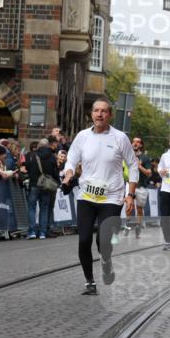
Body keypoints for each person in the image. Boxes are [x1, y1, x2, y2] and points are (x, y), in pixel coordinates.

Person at [61, 98, 138, 295]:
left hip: (111, 197)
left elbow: (133, 166)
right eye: (96, 110)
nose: (99, 114)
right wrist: (69, 173)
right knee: (84, 240)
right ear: (92, 114)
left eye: (103, 111)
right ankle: (90, 282)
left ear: (109, 115)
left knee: (103, 242)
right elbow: (71, 159)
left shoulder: (120, 138)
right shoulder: (83, 136)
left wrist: (130, 195)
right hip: (86, 196)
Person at [26, 138, 59, 239]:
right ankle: (42, 233)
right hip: (46, 185)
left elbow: (28, 168)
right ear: (48, 145)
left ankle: (32, 231)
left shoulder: (32, 155)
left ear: (39, 146)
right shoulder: (52, 157)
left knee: (32, 207)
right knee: (44, 208)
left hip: (34, 184)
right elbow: (55, 172)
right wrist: (57, 182)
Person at [123, 136, 152, 238]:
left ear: (141, 145)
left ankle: (138, 228)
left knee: (139, 209)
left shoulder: (145, 158)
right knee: (129, 206)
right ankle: (127, 225)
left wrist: (139, 166)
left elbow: (149, 173)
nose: (135, 143)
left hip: (141, 186)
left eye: (138, 142)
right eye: (133, 142)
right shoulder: (127, 156)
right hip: (129, 184)